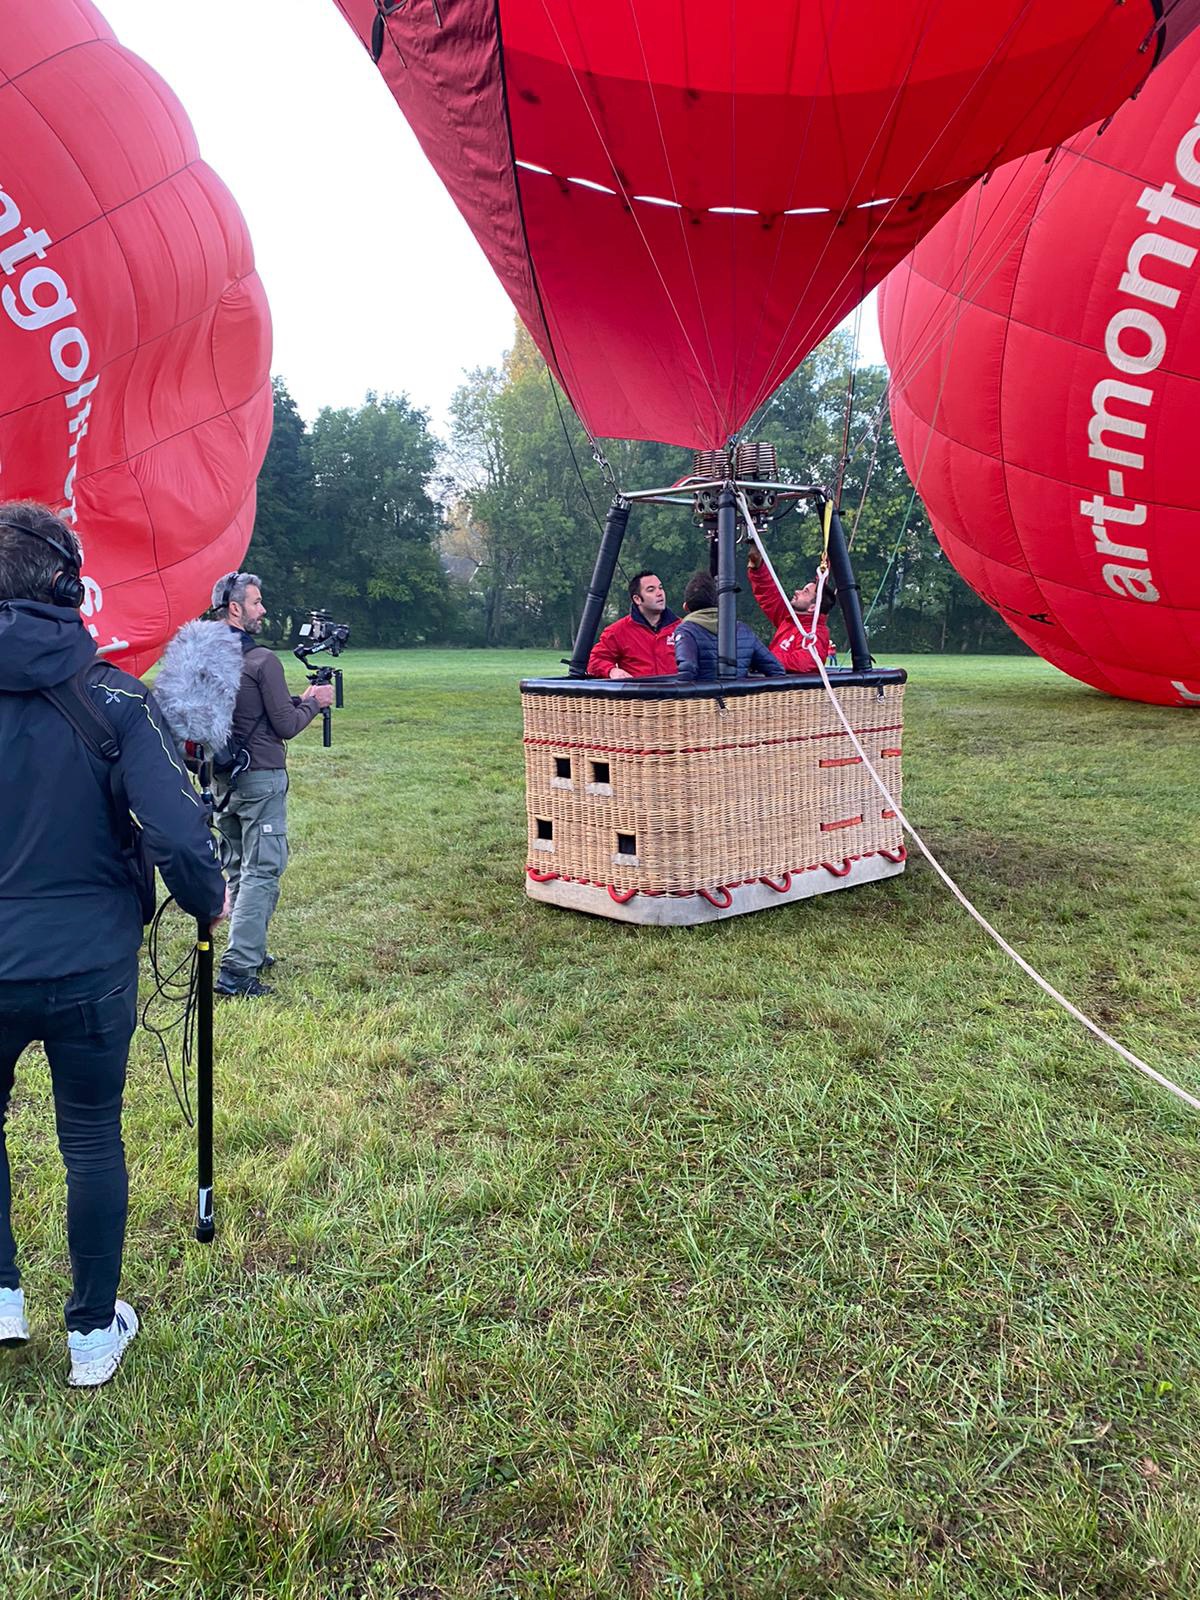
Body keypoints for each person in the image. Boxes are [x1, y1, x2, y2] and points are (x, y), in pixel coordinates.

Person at [0, 501, 227, 1388]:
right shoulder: (117, 698)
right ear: (69, 584)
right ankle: (92, 1333)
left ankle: (4, 1298)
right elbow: (177, 832)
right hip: (89, 962)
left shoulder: (118, 696)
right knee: (90, 1136)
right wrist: (209, 905)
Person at [210, 571, 333, 998]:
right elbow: (284, 725)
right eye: (257, 602)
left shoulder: (203, 658)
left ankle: (250, 948)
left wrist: (300, 699)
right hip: (260, 778)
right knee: (262, 870)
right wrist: (315, 703)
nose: (263, 610)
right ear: (235, 608)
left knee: (238, 867)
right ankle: (237, 971)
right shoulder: (262, 661)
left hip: (221, 779)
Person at [673, 571, 785, 681]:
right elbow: (776, 670)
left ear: (686, 607)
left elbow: (687, 669)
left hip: (704, 699)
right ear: (721, 602)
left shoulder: (686, 631)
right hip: (740, 698)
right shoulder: (743, 630)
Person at [747, 545, 837, 671]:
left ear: (812, 607)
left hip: (789, 690)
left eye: (805, 592)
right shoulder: (792, 620)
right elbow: (769, 595)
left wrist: (761, 659)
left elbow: (805, 662)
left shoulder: (815, 634)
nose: (797, 591)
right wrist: (757, 567)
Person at [587, 570, 679, 678]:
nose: (659, 593)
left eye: (660, 587)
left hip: (676, 694)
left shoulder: (682, 628)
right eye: (651, 590)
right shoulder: (618, 631)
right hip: (637, 694)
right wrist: (611, 671)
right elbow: (594, 661)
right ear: (637, 599)